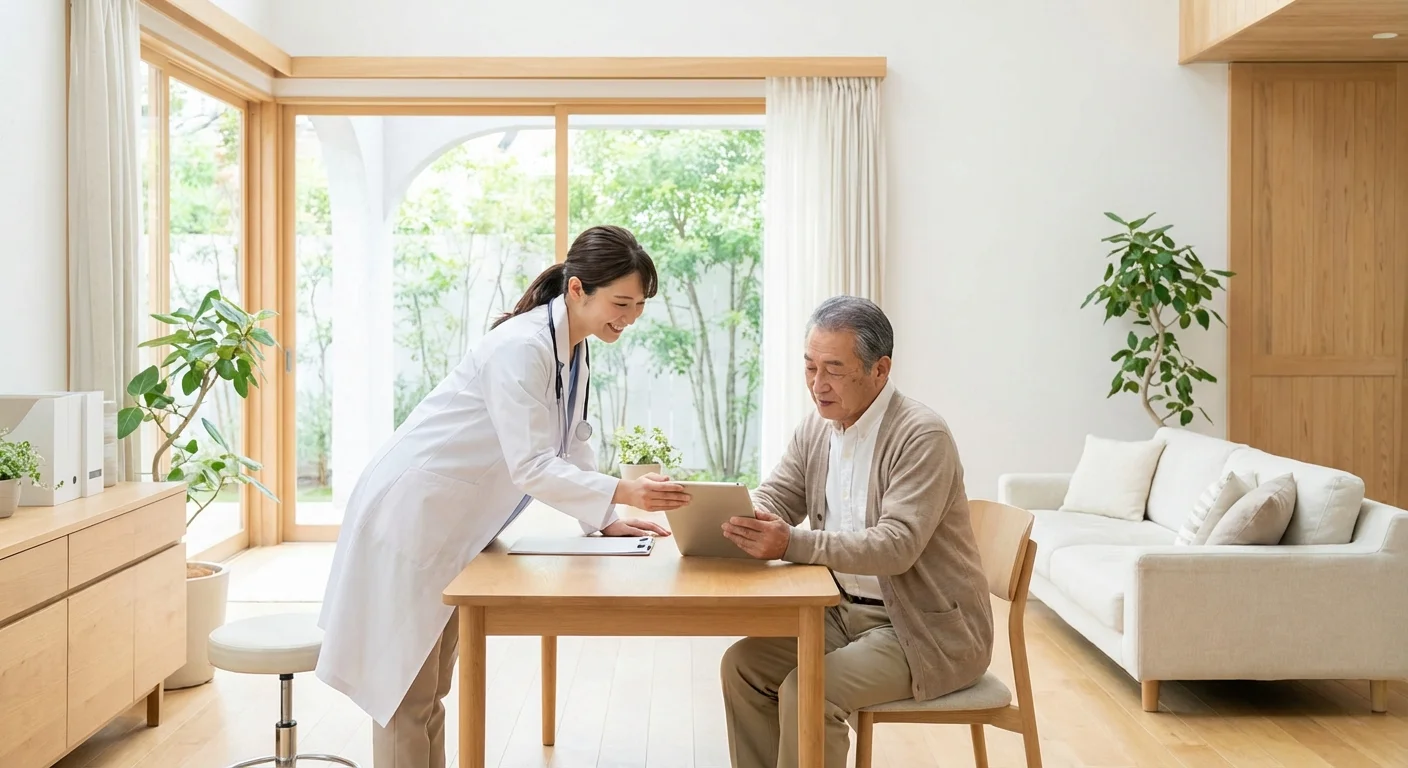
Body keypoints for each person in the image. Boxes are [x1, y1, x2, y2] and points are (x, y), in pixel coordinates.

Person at [315, 225, 692, 768]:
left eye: (639, 306)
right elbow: (533, 465)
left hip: (452, 526)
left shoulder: (572, 349)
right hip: (410, 517)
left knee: (431, 690)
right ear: (578, 289)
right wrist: (624, 489)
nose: (630, 317)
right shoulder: (521, 346)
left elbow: (571, 442)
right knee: (404, 696)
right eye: (622, 303)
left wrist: (607, 516)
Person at [718, 295, 994, 768]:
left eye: (834, 369)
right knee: (743, 667)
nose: (817, 385)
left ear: (879, 370)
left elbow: (896, 546)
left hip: (923, 630)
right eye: (809, 367)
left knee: (809, 690)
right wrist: (738, 517)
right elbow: (778, 496)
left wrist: (790, 542)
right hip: (840, 613)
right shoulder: (818, 428)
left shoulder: (921, 435)